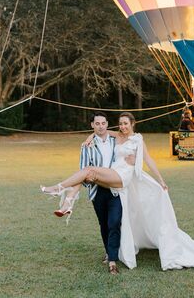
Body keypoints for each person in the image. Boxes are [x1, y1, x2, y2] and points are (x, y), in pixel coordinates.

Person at [41, 112, 194, 271]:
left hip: (122, 176)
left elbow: (149, 161)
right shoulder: (117, 136)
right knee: (90, 175)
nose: (123, 126)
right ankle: (68, 199)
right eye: (121, 124)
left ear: (133, 124)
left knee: (89, 171)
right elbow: (102, 131)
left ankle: (60, 189)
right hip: (111, 175)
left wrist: (161, 181)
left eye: (126, 123)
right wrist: (89, 136)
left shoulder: (137, 139)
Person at [78, 111, 132, 274]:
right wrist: (90, 179)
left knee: (114, 222)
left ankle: (113, 260)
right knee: (104, 223)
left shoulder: (116, 140)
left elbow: (131, 143)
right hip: (97, 189)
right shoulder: (86, 145)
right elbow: (83, 170)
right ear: (92, 125)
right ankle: (109, 252)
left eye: (103, 123)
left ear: (107, 124)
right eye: (97, 123)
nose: (100, 126)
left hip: (115, 189)